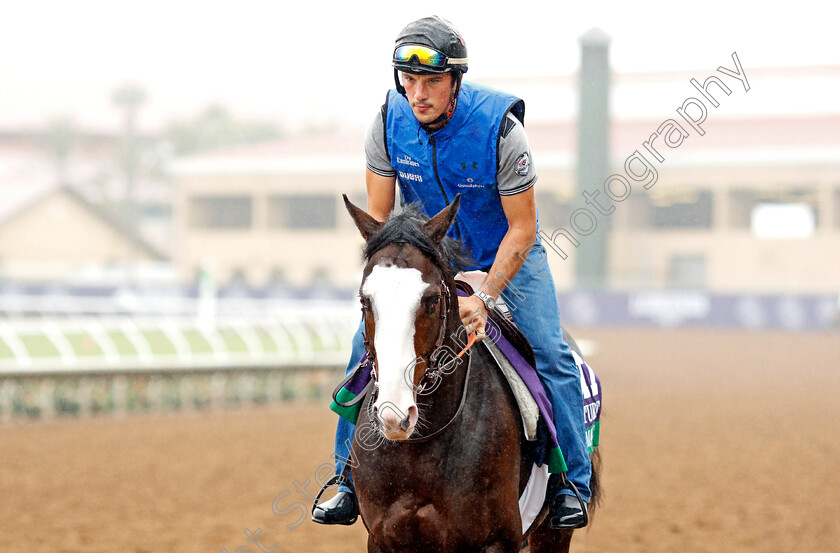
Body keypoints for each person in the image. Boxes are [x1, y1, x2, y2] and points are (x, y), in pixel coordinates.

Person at [312, 15, 591, 529]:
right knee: (364, 346)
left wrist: (483, 297)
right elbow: (384, 230)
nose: (417, 94)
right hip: (429, 255)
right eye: (409, 81)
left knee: (551, 353)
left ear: (456, 81)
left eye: (431, 81)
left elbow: (523, 229)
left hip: (508, 254)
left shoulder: (502, 130)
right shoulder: (386, 121)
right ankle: (345, 480)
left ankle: (572, 482)